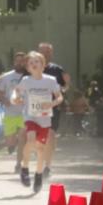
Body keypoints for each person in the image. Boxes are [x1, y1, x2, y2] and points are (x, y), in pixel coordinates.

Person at [12, 51, 63, 194]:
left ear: (43, 65)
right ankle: (25, 168)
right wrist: (16, 98)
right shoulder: (26, 80)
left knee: (40, 149)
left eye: (37, 62)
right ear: (28, 68)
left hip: (45, 119)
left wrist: (52, 103)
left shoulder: (51, 80)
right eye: (31, 63)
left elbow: (60, 97)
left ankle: (39, 175)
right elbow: (16, 92)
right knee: (31, 139)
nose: (34, 64)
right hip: (30, 116)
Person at [38, 42, 69, 178]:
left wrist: (62, 90)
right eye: (44, 52)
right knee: (39, 139)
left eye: (49, 52)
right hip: (35, 109)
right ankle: (41, 160)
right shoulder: (31, 68)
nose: (46, 54)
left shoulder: (57, 70)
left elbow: (66, 84)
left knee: (50, 135)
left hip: (52, 108)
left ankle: (47, 167)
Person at [0, 52, 28, 178]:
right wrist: (5, 101)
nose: (19, 63)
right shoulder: (7, 77)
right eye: (17, 61)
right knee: (10, 142)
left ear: (25, 62)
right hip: (10, 112)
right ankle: (14, 144)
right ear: (14, 62)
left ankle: (19, 164)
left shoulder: (29, 76)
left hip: (25, 112)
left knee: (23, 139)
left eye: (22, 61)